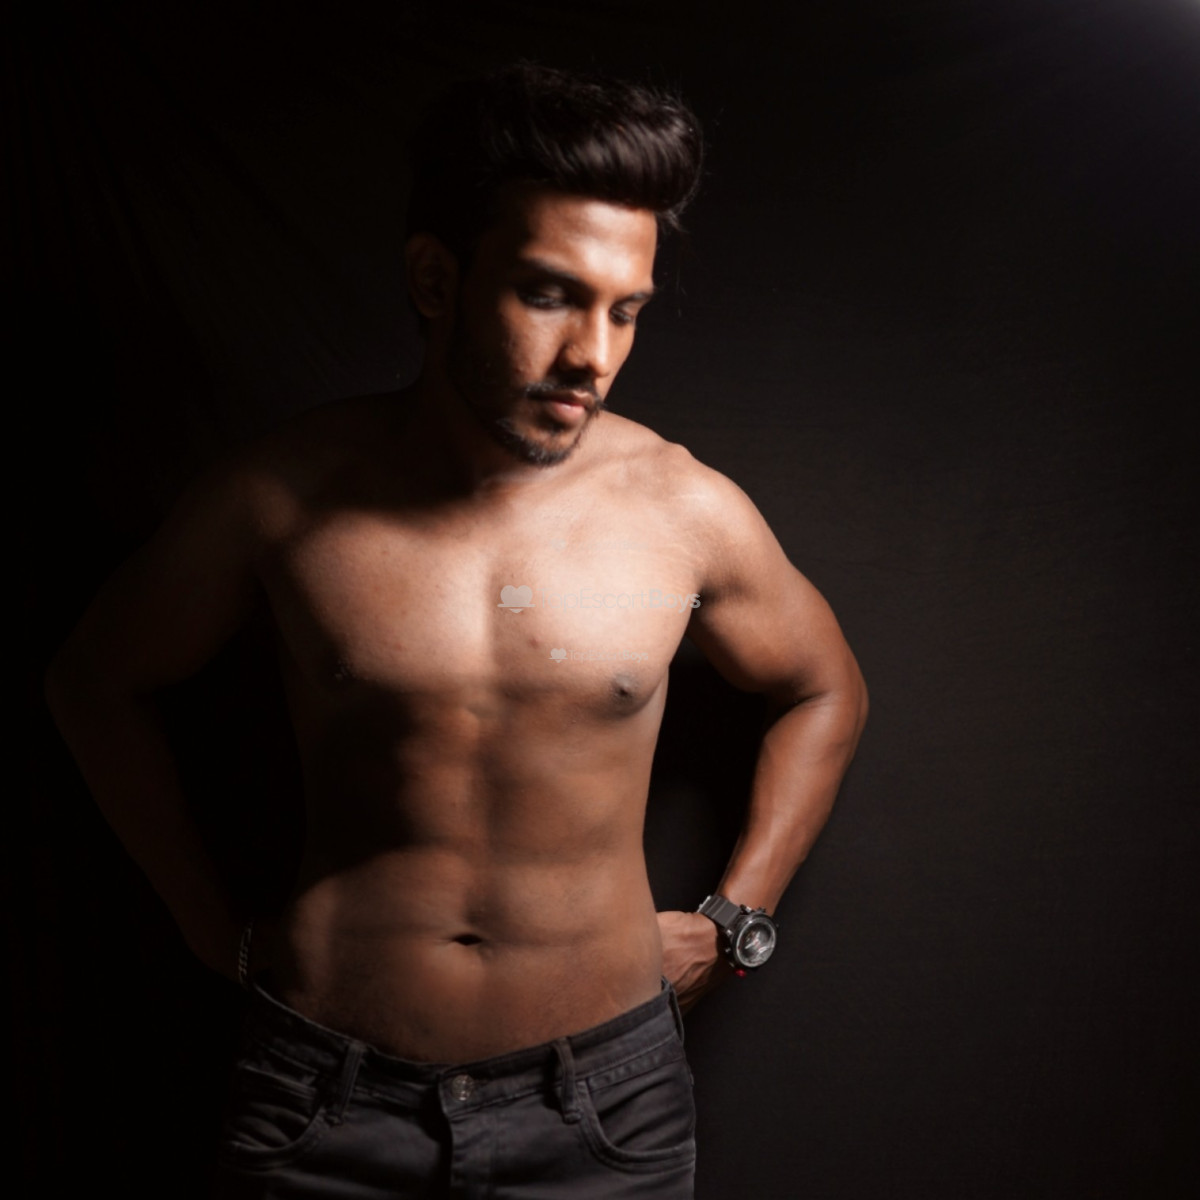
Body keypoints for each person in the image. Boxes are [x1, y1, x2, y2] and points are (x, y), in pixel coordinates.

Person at [46, 63, 867, 1199]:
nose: (593, 354)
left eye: (625, 310)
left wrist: (740, 917)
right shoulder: (279, 495)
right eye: (550, 295)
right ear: (437, 278)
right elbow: (95, 680)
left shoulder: (683, 509)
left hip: (606, 1108)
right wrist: (203, 924)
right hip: (321, 1099)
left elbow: (826, 688)